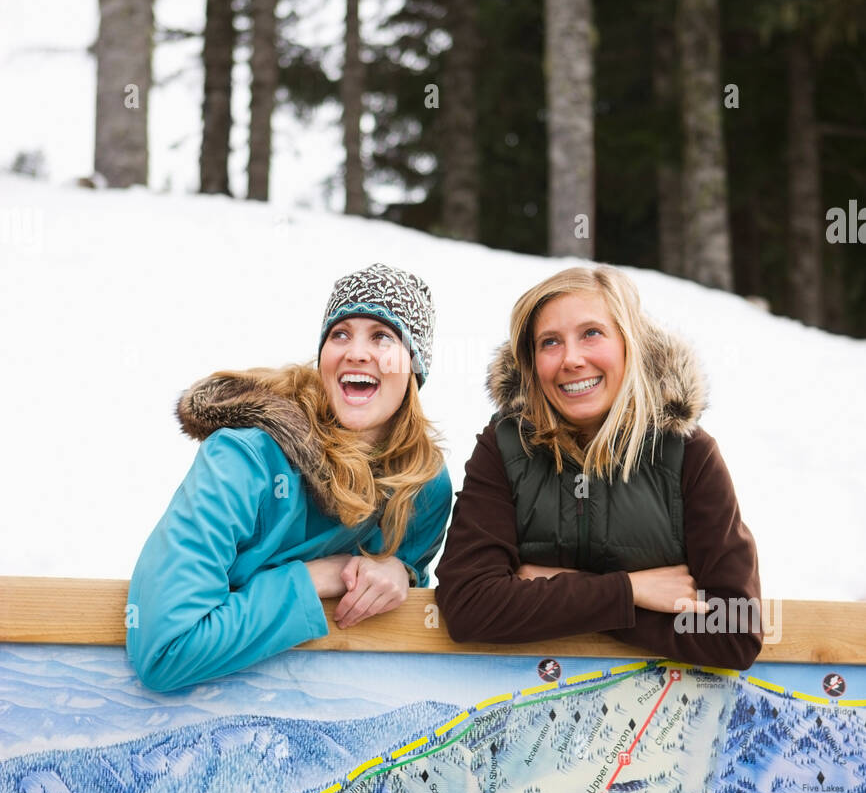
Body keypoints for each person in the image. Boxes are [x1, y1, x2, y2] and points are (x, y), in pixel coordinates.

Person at [127, 264, 452, 692]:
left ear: (414, 366)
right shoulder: (244, 459)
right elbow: (166, 650)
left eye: (382, 337)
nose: (356, 351)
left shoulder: (423, 487)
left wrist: (400, 573)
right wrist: (320, 576)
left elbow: (395, 645)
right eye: (340, 334)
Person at [435, 265, 762, 670]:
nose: (571, 359)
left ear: (629, 343)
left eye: (591, 333)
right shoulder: (504, 446)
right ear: (532, 361)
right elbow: (468, 605)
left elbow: (735, 633)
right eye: (550, 342)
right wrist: (630, 591)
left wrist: (551, 586)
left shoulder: (687, 453)